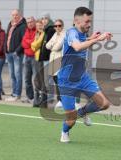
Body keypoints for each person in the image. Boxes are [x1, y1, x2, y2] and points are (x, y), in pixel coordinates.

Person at [57, 6, 112, 143]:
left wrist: (93, 37)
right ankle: (65, 132)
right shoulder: (71, 32)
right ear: (77, 20)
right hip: (67, 81)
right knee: (71, 120)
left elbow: (82, 44)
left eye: (90, 21)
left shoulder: (82, 34)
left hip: (82, 78)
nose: (89, 24)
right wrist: (97, 40)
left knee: (104, 104)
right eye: (87, 22)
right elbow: (77, 46)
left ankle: (83, 112)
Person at [5, 9, 26, 101]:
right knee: (12, 74)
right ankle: (13, 94)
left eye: (16, 15)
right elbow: (7, 38)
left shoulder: (23, 26)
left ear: (19, 15)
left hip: (17, 54)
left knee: (18, 74)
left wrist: (17, 51)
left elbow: (23, 41)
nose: (14, 17)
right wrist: (5, 49)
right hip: (9, 53)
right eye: (13, 15)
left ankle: (17, 94)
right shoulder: (10, 24)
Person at [45, 19, 65, 105]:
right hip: (53, 59)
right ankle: (60, 99)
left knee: (59, 80)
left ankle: (61, 99)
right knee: (55, 79)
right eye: (55, 26)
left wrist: (53, 44)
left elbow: (57, 47)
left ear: (62, 26)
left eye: (59, 25)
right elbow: (47, 45)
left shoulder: (64, 34)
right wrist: (53, 44)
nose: (57, 27)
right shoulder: (55, 34)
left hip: (59, 59)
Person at [39, 12, 56, 106]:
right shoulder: (46, 29)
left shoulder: (50, 30)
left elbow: (49, 45)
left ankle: (50, 98)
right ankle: (48, 97)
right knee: (47, 79)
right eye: (43, 18)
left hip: (50, 58)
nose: (44, 20)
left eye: (45, 18)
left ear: (49, 19)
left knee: (49, 79)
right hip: (45, 58)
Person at [21, 16, 36, 104]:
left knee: (35, 78)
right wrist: (29, 42)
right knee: (27, 78)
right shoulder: (27, 30)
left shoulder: (37, 30)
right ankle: (29, 97)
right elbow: (23, 43)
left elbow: (34, 43)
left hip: (34, 57)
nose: (29, 24)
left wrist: (28, 42)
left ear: (34, 22)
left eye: (31, 22)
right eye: (28, 22)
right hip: (26, 57)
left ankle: (36, 98)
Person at [31, 19, 45, 107]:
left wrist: (34, 44)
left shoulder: (43, 34)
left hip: (41, 58)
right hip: (36, 57)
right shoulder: (37, 34)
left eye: (40, 25)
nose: (38, 27)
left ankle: (42, 101)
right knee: (36, 79)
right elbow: (33, 47)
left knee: (41, 79)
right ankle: (36, 100)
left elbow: (36, 44)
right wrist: (34, 45)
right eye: (37, 26)